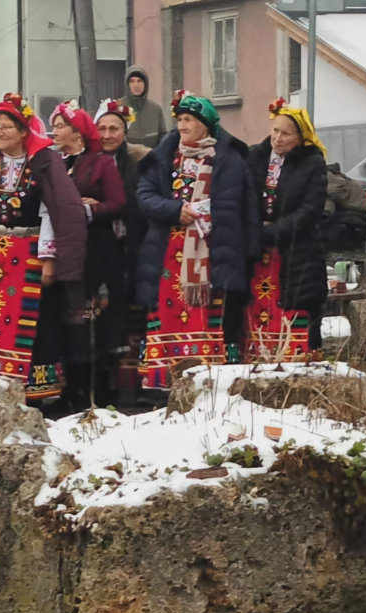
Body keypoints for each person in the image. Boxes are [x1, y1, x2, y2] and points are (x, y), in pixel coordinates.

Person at [0, 92, 86, 402]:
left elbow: (55, 210)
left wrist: (50, 258)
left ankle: (33, 388)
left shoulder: (44, 162)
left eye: (6, 126)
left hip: (30, 251)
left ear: (23, 130)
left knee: (31, 318)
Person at [135, 90, 260, 388]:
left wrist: (247, 254)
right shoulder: (163, 157)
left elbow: (246, 209)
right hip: (167, 252)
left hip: (212, 254)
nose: (182, 125)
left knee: (209, 318)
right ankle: (164, 382)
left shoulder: (229, 160)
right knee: (165, 315)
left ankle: (211, 382)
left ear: (206, 123)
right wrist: (174, 209)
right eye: (179, 119)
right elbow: (144, 196)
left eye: (189, 119)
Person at [48, 99, 128, 409]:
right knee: (67, 318)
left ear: (77, 131)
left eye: (59, 126)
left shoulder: (100, 163)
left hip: (96, 252)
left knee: (95, 319)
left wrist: (86, 209)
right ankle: (72, 386)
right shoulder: (53, 163)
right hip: (62, 251)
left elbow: (119, 203)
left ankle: (97, 391)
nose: (53, 131)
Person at [244, 98, 328, 362]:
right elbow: (243, 199)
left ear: (301, 138)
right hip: (257, 254)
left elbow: (309, 210)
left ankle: (299, 366)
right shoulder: (254, 157)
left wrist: (271, 232)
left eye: (286, 134)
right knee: (257, 312)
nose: (278, 138)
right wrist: (253, 231)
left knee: (297, 308)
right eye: (275, 130)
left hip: (297, 252)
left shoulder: (312, 163)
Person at [95, 98, 153, 404]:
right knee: (102, 318)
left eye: (114, 128)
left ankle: (133, 388)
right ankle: (104, 387)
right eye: (102, 128)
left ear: (125, 131)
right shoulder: (86, 163)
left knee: (133, 317)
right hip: (100, 252)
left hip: (134, 246)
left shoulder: (139, 162)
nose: (107, 135)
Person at [119, 66, 167, 148]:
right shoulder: (118, 107)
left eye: (139, 81)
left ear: (145, 83)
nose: (136, 85)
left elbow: (163, 138)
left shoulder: (155, 109)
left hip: (150, 157)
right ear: (127, 84)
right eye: (132, 81)